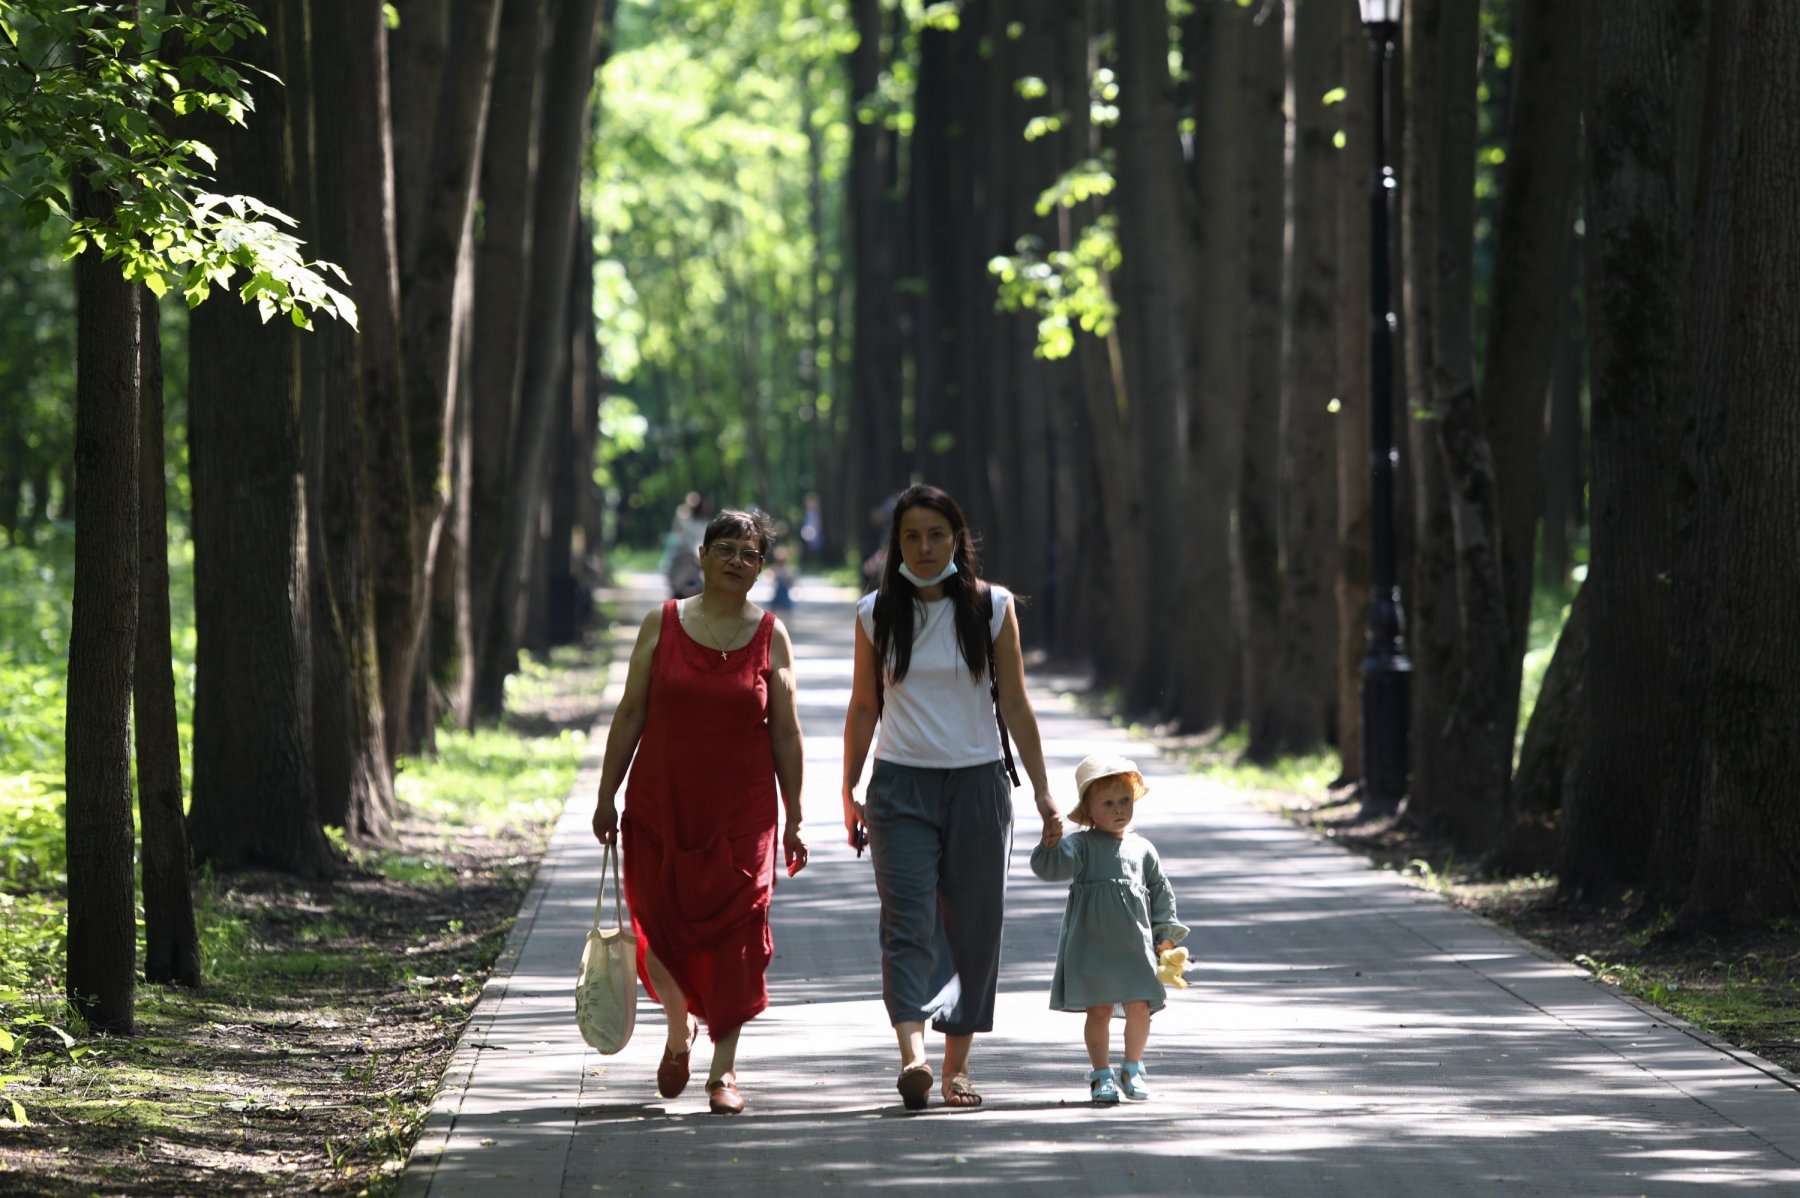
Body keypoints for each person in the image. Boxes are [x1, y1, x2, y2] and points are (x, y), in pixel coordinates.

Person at [840, 484, 1061, 1110]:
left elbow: (1015, 702)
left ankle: (956, 1068)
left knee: (974, 927)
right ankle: (913, 1055)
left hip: (977, 784)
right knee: (907, 921)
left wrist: (1045, 794)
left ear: (957, 539)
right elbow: (863, 707)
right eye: (911, 536)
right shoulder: (875, 613)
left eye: (937, 534)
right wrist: (849, 789)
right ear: (897, 544)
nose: (925, 546)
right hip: (899, 786)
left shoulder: (992, 608)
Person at [592, 509, 807, 1116]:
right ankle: (679, 1022)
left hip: (742, 814)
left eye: (751, 554)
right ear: (704, 555)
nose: (739, 561)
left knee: (740, 934)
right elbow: (631, 711)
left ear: (761, 568)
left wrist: (794, 815)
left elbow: (786, 734)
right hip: (664, 803)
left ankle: (723, 1071)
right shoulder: (661, 624)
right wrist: (606, 793)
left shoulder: (772, 634)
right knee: (656, 919)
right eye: (728, 549)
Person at [1029, 753, 1187, 1105]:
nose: (1120, 809)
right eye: (1109, 803)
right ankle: (1101, 1074)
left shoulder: (1143, 849)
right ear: (1088, 810)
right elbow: (1051, 868)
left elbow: (1161, 893)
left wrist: (1165, 937)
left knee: (1140, 1007)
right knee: (1098, 1010)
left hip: (1134, 945)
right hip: (1091, 945)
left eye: (1125, 800)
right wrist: (1051, 844)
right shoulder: (1080, 845)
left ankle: (1132, 1067)